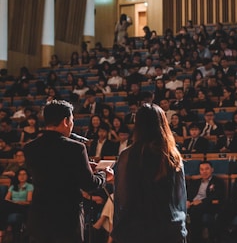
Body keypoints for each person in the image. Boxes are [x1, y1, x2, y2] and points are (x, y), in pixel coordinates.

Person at [23, 100, 114, 243]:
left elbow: (50, 170)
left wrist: (80, 165)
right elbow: (89, 184)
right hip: (66, 217)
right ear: (66, 121)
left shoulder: (30, 148)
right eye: (72, 120)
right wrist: (104, 174)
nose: (72, 124)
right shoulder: (76, 148)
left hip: (39, 216)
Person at [112, 103, 187, 243]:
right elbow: (179, 196)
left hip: (136, 227)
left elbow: (121, 197)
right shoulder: (172, 154)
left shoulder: (127, 155)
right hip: (168, 225)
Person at [186, 161, 225, 243]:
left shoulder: (218, 182)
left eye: (207, 169)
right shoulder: (195, 182)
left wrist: (201, 201)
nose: (204, 171)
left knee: (196, 210)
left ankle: (195, 239)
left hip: (208, 205)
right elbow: (189, 194)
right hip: (193, 205)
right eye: (202, 169)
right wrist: (188, 201)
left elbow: (217, 196)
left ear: (212, 170)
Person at [0, 168, 33, 242]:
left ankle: (2, 230)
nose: (22, 176)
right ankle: (2, 230)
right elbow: (6, 199)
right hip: (12, 205)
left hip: (23, 206)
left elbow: (29, 201)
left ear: (27, 176)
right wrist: (13, 202)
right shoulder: (13, 186)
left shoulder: (29, 186)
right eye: (20, 174)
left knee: (3, 205)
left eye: (24, 174)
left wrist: (17, 202)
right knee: (3, 203)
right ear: (17, 176)